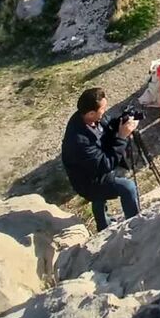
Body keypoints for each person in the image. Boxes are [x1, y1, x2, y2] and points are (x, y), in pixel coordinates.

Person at [61, 87, 140, 232]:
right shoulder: (78, 141)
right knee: (128, 188)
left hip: (93, 169)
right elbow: (105, 164)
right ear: (91, 113)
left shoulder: (87, 117)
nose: (105, 111)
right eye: (103, 109)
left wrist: (121, 122)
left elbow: (107, 125)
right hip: (89, 181)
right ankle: (134, 225)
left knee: (100, 197)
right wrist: (122, 137)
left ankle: (103, 224)